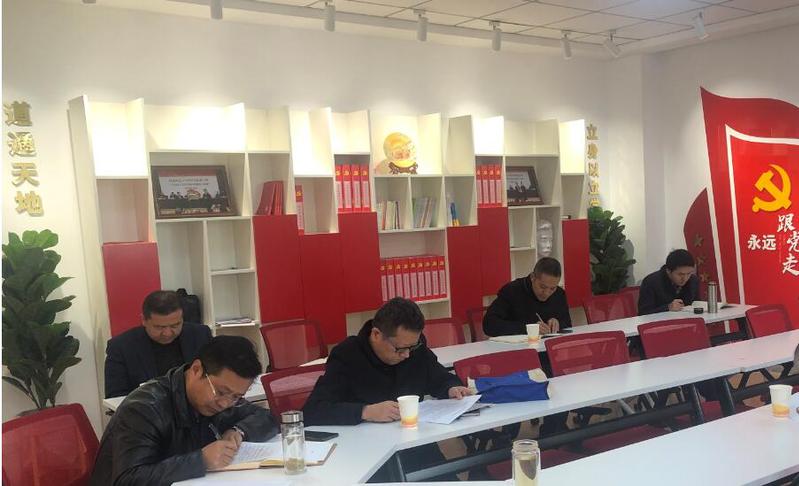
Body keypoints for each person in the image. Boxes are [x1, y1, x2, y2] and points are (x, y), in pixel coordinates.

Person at [90, 336, 277, 486]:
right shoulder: (144, 408)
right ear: (196, 369)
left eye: (236, 396)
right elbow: (128, 479)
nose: (225, 404)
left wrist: (238, 431)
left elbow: (267, 417)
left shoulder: (222, 400)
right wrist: (200, 460)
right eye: (221, 392)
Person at [303, 297, 472, 425]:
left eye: (412, 347)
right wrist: (366, 412)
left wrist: (451, 388)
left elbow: (439, 377)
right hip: (367, 447)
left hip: (413, 439)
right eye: (400, 349)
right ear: (376, 335)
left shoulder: (414, 348)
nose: (407, 355)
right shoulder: (348, 355)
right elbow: (313, 410)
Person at [104, 290, 212, 398]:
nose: (167, 333)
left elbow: (214, 377)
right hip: (146, 406)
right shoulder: (121, 347)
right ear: (144, 320)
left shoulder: (200, 335)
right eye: (159, 327)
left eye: (175, 325)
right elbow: (116, 397)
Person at [483, 257, 571, 337]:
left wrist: (558, 323)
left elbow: (568, 323)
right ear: (532, 277)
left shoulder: (559, 293)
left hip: (546, 346)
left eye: (552, 288)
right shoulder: (512, 291)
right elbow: (489, 325)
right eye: (542, 287)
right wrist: (527, 328)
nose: (546, 293)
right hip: (516, 347)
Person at [638, 249, 699, 315]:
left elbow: (696, 304)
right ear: (668, 271)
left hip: (687, 319)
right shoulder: (651, 282)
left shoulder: (693, 280)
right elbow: (643, 313)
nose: (685, 278)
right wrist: (667, 307)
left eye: (689, 273)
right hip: (660, 321)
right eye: (680, 274)